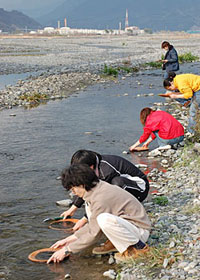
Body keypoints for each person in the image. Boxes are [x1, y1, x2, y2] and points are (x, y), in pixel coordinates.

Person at [47, 164, 151, 264]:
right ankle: (117, 244)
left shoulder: (100, 198)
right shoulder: (97, 188)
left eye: (73, 189)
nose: (73, 193)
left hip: (139, 231)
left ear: (82, 184)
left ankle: (138, 248)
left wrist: (67, 250)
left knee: (103, 219)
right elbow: (93, 224)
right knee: (100, 219)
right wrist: (69, 239)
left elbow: (94, 233)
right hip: (130, 226)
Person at [60, 150, 150, 232]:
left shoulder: (106, 170)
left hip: (139, 189)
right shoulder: (93, 164)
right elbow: (84, 187)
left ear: (90, 167)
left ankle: (123, 216)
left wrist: (84, 219)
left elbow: (102, 198)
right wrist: (72, 209)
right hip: (123, 187)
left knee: (116, 184)